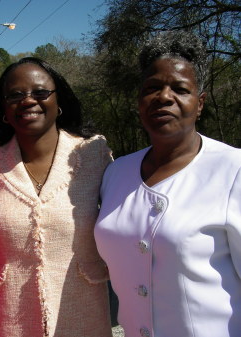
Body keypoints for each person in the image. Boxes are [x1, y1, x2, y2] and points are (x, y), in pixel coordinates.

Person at [95, 31, 241, 337]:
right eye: (152, 88)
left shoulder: (233, 169)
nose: (164, 97)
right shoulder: (116, 172)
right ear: (139, 101)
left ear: (199, 103)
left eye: (180, 88)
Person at [0, 57, 113, 337]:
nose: (28, 101)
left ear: (58, 100)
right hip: (14, 318)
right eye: (15, 95)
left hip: (83, 315)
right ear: (3, 107)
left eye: (40, 92)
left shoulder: (93, 154)